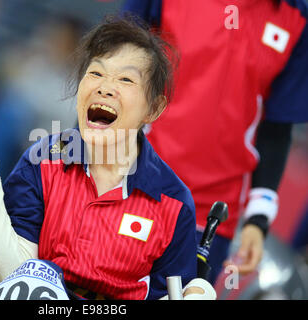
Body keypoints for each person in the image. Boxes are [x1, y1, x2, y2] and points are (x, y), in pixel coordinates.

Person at [0, 17, 211, 300]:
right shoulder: (42, 161)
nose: (105, 87)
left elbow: (173, 294)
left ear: (154, 109)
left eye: (125, 79)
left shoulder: (173, 202)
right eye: (96, 73)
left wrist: (199, 292)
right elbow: (15, 275)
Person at [122, 0, 308, 284]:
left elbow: (276, 127)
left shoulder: (297, 15)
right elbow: (113, 70)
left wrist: (258, 219)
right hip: (131, 183)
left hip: (212, 215)